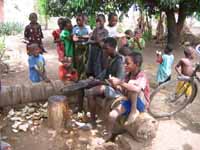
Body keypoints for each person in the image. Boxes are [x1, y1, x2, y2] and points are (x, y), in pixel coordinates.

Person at [107, 52, 150, 140]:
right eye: (125, 63)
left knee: (132, 85)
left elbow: (136, 89)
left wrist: (120, 82)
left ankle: (134, 111)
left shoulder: (142, 76)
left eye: (128, 63)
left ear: (136, 64)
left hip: (140, 104)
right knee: (112, 115)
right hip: (130, 101)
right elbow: (123, 90)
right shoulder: (128, 75)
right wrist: (115, 85)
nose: (125, 65)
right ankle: (108, 135)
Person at [85, 37, 125, 127]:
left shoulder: (120, 61)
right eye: (103, 48)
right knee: (87, 84)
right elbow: (105, 73)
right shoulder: (111, 58)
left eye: (106, 48)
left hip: (117, 90)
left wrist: (99, 82)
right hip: (109, 85)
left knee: (90, 92)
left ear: (113, 47)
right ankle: (90, 115)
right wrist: (96, 79)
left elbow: (118, 82)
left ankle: (93, 121)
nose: (104, 51)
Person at [72, 14, 90, 79]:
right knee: (78, 62)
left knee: (84, 61)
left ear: (83, 20)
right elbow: (74, 39)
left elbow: (89, 37)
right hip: (78, 48)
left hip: (85, 48)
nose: (78, 21)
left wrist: (79, 37)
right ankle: (78, 76)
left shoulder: (87, 28)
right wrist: (83, 38)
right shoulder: (75, 28)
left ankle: (83, 76)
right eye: (77, 20)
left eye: (79, 20)